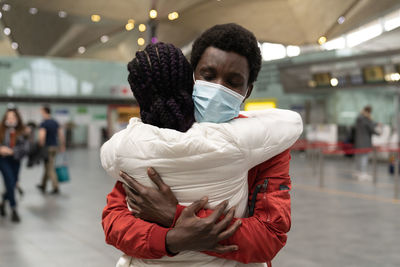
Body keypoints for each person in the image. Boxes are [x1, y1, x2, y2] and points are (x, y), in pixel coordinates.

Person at [102, 23, 295, 266]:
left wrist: (176, 216)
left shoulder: (267, 144)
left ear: (247, 91)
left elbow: (268, 237)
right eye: (208, 75)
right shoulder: (156, 129)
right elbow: (114, 221)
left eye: (233, 82)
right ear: (192, 76)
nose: (217, 88)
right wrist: (171, 239)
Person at [0, 108, 29, 223]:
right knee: (10, 181)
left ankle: (3, 202)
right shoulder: (1, 130)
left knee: (12, 183)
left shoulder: (22, 131)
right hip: (3, 160)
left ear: (17, 118)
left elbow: (26, 148)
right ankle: (13, 208)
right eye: (8, 117)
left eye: (13, 117)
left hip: (16, 160)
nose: (10, 119)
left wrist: (13, 151)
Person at [36, 106, 65, 194]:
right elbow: (61, 134)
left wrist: (40, 146)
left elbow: (42, 136)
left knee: (50, 168)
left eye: (41, 111)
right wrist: (62, 145)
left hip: (47, 148)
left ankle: (55, 187)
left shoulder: (44, 123)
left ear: (45, 112)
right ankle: (43, 185)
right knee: (47, 166)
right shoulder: (55, 122)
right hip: (55, 147)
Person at [354, 105, 381, 181]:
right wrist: (379, 133)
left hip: (358, 142)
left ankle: (358, 172)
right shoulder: (366, 119)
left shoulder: (359, 118)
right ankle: (363, 173)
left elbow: (368, 125)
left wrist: (375, 124)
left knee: (358, 158)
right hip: (365, 142)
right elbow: (371, 128)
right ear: (369, 112)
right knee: (364, 158)